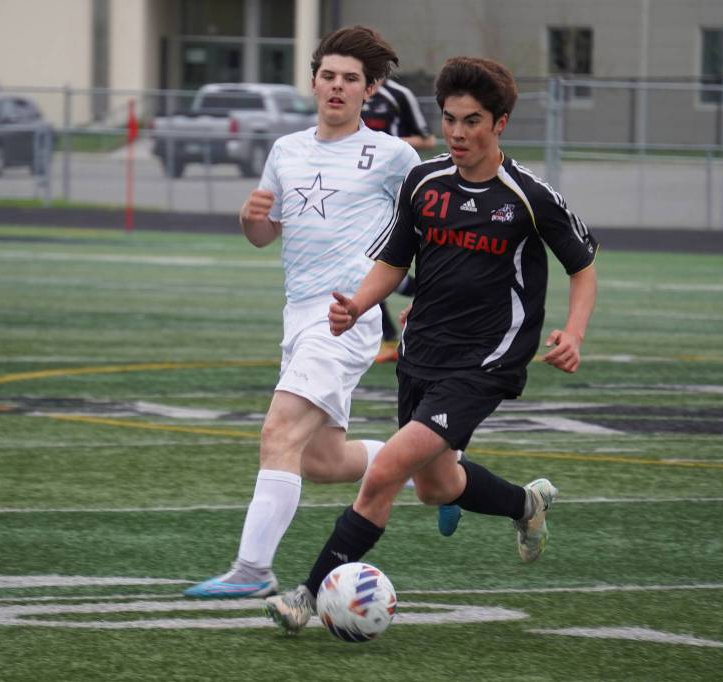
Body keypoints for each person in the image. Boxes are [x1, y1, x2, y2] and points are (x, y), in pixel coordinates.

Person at [264, 56, 599, 633]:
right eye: (449, 119)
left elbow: (583, 266)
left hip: (487, 359)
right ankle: (527, 504)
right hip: (422, 353)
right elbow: (393, 261)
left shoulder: (527, 195)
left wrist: (573, 332)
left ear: (501, 123)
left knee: (387, 469)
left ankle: (305, 594)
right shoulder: (424, 182)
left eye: (472, 121)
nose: (458, 133)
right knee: (437, 485)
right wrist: (359, 306)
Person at [183, 26, 421, 599]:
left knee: (278, 431)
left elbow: (428, 232)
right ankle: (424, 458)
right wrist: (250, 219)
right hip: (299, 314)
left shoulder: (393, 155)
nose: (337, 87)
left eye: (351, 80)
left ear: (372, 90)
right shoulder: (286, 150)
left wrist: (421, 300)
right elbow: (265, 236)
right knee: (320, 459)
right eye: (329, 76)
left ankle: (251, 570)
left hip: (346, 315)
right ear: (313, 81)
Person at [362, 78, 435, 364]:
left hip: (396, 192)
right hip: (364, 195)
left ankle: (437, 295)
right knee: (365, 262)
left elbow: (427, 138)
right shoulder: (354, 92)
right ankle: (388, 337)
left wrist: (388, 145)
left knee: (375, 262)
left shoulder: (398, 95)